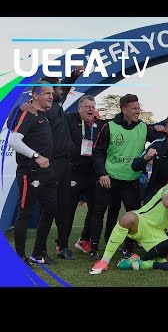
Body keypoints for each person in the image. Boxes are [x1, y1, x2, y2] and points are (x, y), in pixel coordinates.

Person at [90, 167, 168, 274]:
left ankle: (138, 262)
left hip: (157, 233)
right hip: (142, 221)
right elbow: (167, 202)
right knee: (128, 217)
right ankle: (104, 261)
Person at [20, 67, 84, 259]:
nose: (61, 90)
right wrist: (23, 106)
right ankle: (38, 251)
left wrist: (73, 75)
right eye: (55, 88)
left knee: (62, 206)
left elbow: (65, 85)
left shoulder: (57, 104)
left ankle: (61, 247)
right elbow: (18, 122)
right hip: (50, 164)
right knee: (49, 209)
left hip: (65, 164)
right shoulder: (37, 108)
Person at [89, 94, 160, 260]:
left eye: (138, 107)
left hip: (131, 180)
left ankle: (128, 248)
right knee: (99, 212)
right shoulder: (109, 126)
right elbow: (98, 152)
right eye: (134, 108)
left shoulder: (143, 127)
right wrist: (102, 174)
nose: (138, 111)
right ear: (124, 110)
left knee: (133, 215)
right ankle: (93, 248)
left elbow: (160, 140)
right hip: (109, 179)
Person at [7, 81, 57, 265]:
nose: (51, 96)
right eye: (46, 93)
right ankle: (20, 257)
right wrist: (36, 156)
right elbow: (13, 140)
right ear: (35, 95)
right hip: (30, 172)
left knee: (51, 208)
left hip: (48, 172)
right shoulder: (27, 112)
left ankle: (38, 253)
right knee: (25, 213)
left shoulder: (43, 114)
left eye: (52, 93)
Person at [65, 95, 104, 256]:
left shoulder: (98, 125)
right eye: (87, 106)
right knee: (68, 209)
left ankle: (84, 240)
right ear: (79, 108)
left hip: (92, 172)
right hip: (73, 170)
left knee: (95, 208)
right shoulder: (70, 119)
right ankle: (62, 244)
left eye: (92, 106)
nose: (90, 109)